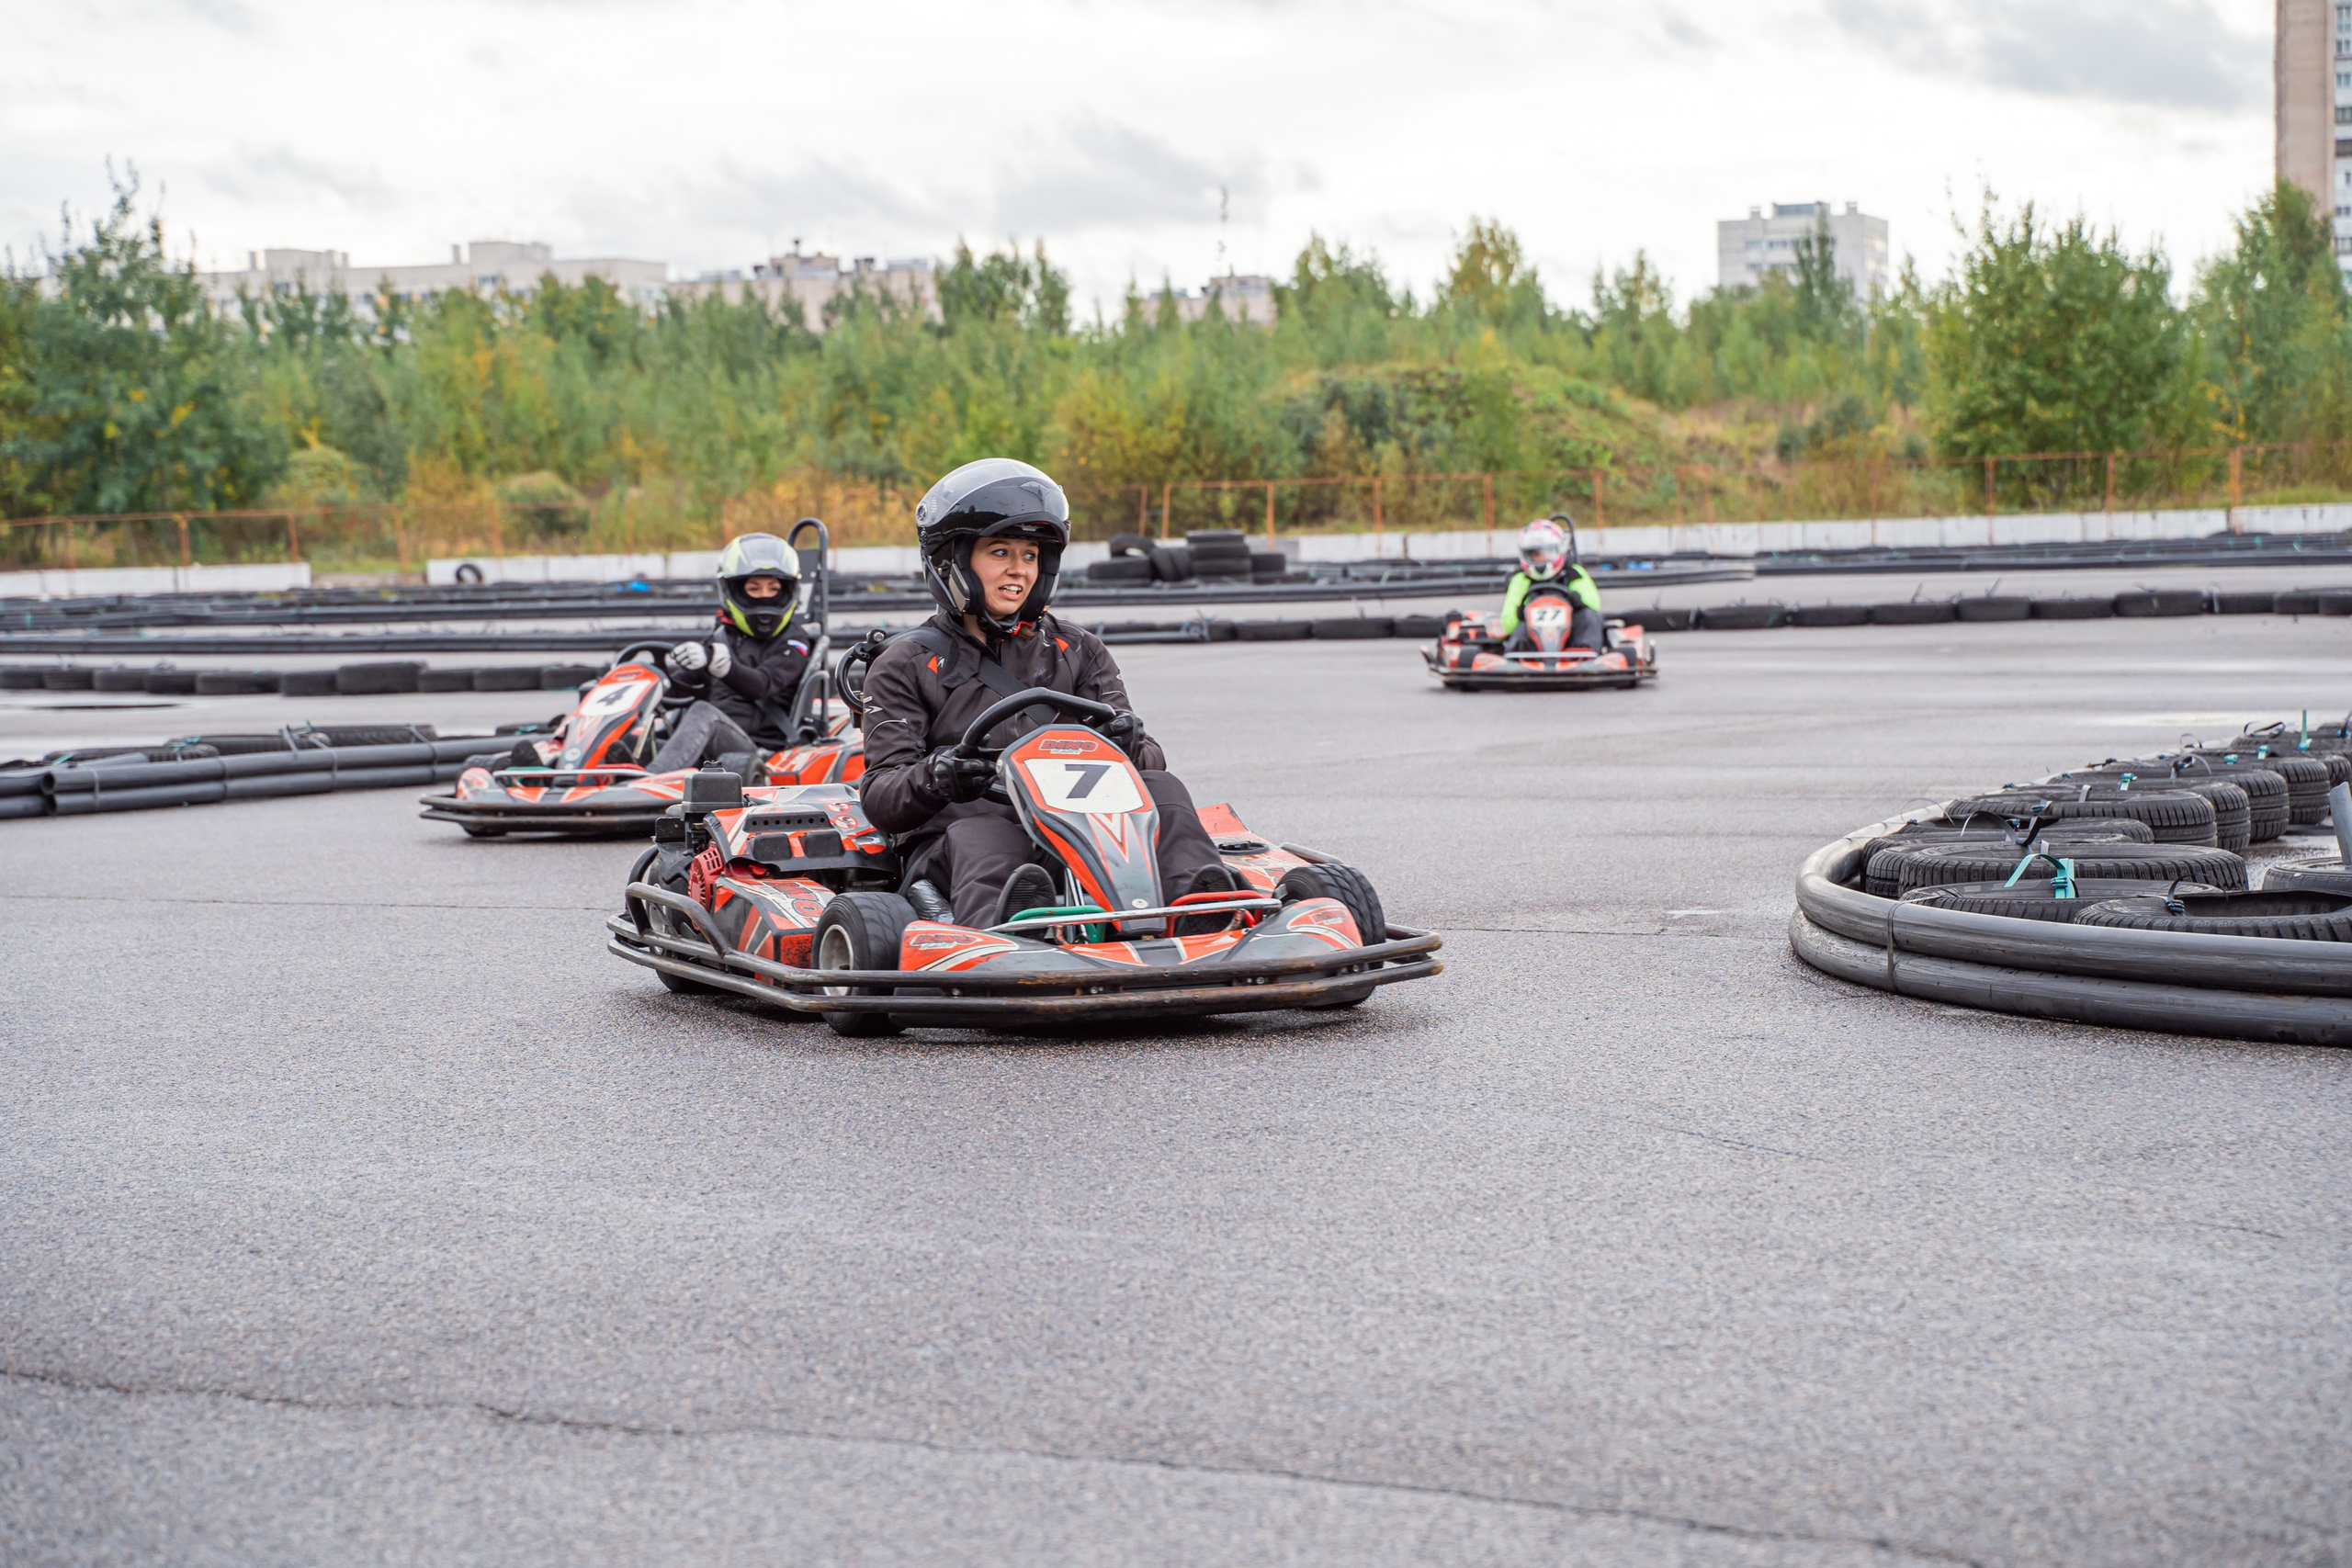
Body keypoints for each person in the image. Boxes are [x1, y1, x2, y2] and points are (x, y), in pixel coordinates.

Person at [856, 457, 1233, 931]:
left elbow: (1149, 757)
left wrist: (1132, 744)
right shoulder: (905, 663)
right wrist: (939, 776)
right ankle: (1010, 934)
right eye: (999, 553)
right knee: (985, 836)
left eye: (1030, 556)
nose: (1018, 571)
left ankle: (1202, 914)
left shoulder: (1077, 649)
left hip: (1078, 837)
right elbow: (880, 796)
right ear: (953, 560)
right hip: (957, 845)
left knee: (1164, 790)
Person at [650, 533, 813, 773]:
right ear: (735, 591)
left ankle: (651, 781)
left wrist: (722, 665)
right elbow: (681, 687)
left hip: (760, 749)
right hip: (709, 745)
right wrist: (649, 681)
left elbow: (762, 684)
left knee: (705, 713)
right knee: (633, 743)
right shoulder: (722, 637)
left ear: (788, 591)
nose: (765, 596)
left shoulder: (795, 641)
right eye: (754, 588)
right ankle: (601, 782)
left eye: (773, 588)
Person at [1499, 516, 1606, 653]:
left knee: (1589, 617)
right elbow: (1507, 624)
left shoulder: (1574, 573)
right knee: (1519, 628)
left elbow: (1594, 606)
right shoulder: (1521, 580)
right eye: (1534, 554)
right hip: (1533, 641)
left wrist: (1578, 602)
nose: (1540, 558)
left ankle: (1582, 654)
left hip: (1570, 638)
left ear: (1559, 550)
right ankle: (1520, 660)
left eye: (1545, 552)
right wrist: (1520, 613)